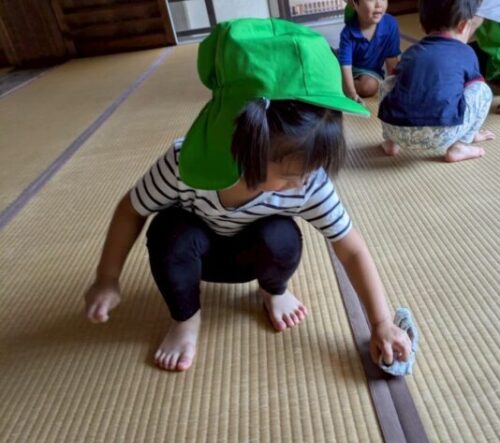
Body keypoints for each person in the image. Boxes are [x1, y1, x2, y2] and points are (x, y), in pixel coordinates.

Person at [84, 18, 411, 372]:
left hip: (255, 259)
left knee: (282, 235)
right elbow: (131, 209)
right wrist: (107, 278)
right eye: (289, 177)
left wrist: (381, 322)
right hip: (196, 259)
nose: (301, 184)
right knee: (168, 233)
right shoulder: (185, 164)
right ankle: (186, 318)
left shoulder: (307, 180)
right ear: (244, 147)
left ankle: (273, 291)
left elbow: (351, 247)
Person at [378, 0, 495, 162]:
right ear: (463, 26)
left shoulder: (411, 52)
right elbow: (471, 88)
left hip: (398, 130)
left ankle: (390, 142)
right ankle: (460, 145)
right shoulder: (466, 52)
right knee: (482, 89)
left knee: (388, 82)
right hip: (444, 134)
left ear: (422, 25)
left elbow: (397, 81)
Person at [338, 0, 400, 101]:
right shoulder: (348, 33)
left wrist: (394, 89)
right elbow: (346, 66)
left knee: (370, 85)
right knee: (368, 86)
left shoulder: (390, 24)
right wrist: (352, 94)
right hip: (348, 68)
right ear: (354, 4)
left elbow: (392, 59)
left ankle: (342, 82)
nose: (379, 4)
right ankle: (341, 83)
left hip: (371, 72)